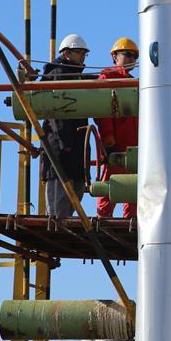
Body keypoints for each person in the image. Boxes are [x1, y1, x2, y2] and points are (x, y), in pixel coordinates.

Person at [40, 34, 91, 217]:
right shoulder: (58, 74)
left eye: (85, 54)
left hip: (74, 151)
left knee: (73, 198)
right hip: (60, 150)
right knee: (58, 209)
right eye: (79, 53)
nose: (83, 57)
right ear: (67, 53)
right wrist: (65, 142)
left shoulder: (75, 77)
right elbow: (56, 112)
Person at [94, 37, 139, 218]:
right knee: (111, 186)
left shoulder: (135, 83)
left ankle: (132, 224)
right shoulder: (107, 78)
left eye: (134, 56)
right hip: (116, 146)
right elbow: (102, 112)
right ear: (115, 56)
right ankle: (102, 221)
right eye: (126, 54)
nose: (130, 59)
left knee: (134, 188)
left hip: (135, 146)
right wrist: (108, 138)